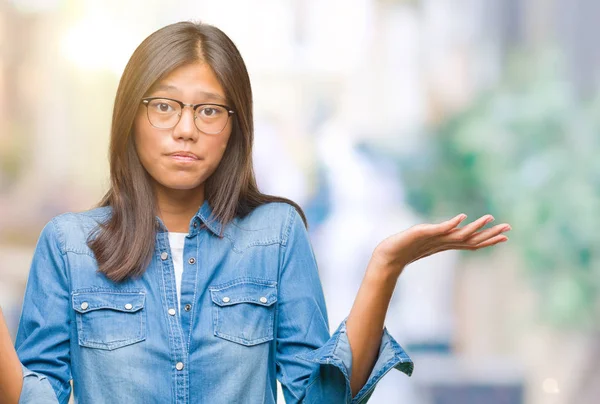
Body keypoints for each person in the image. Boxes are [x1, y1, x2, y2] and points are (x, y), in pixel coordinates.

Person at [0, 21, 511, 404]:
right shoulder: (69, 245)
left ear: (234, 129)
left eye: (209, 110)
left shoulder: (276, 235)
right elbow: (31, 394)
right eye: (164, 106)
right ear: (131, 116)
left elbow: (319, 398)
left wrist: (385, 267)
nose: (185, 129)